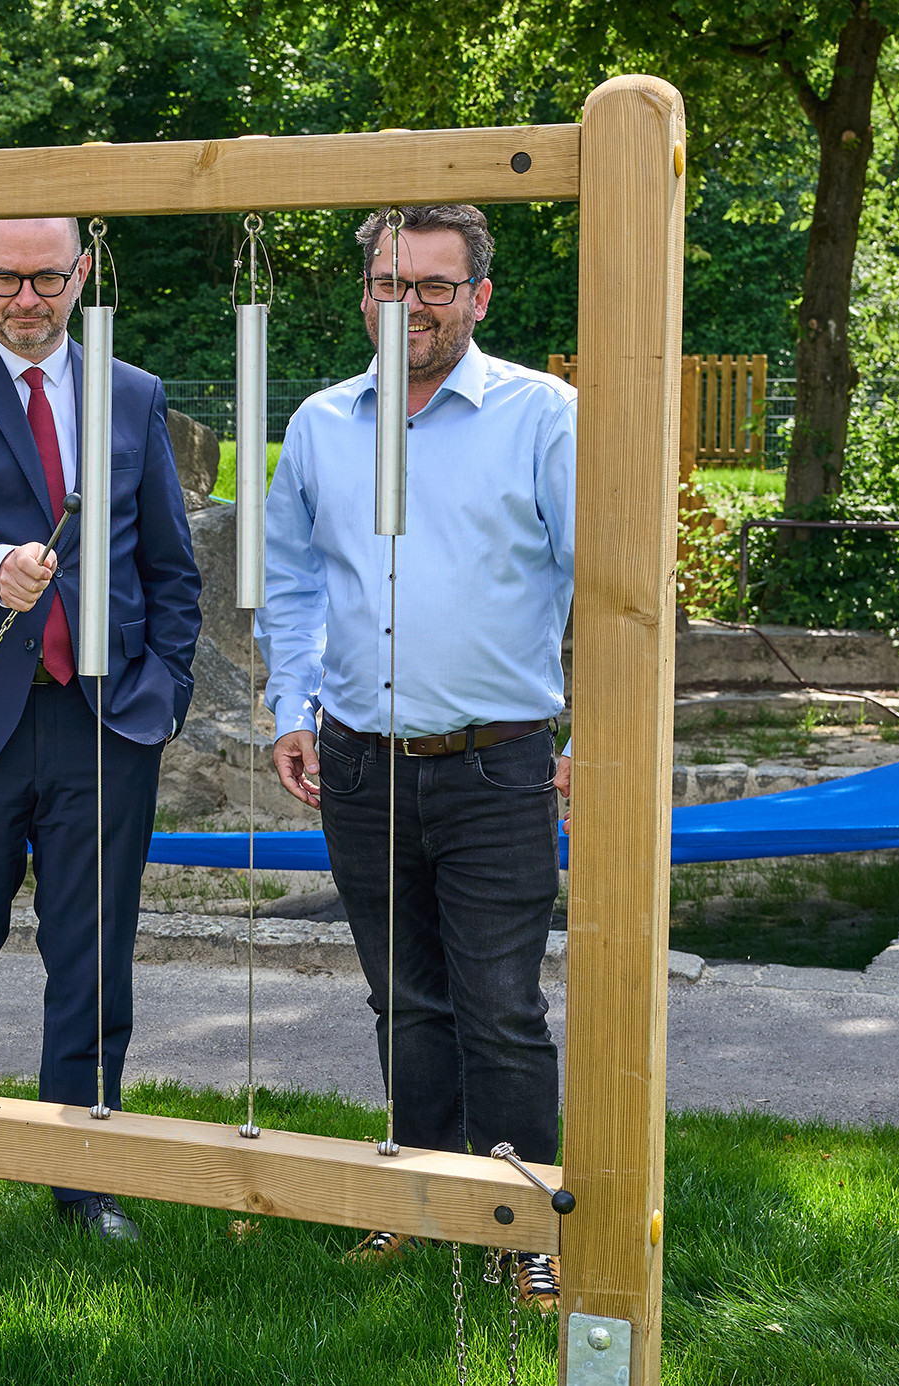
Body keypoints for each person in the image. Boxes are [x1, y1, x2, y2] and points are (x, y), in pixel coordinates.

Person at [255, 204, 574, 1311]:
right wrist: (290, 708)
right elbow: (291, 585)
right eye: (392, 283)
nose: (412, 305)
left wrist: (598, 736)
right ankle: (423, 1205)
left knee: (499, 1002)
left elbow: (608, 587)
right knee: (404, 998)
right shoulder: (321, 424)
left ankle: (527, 1221)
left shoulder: (547, 417)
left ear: (480, 298)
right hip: (357, 762)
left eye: (436, 285)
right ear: (365, 294)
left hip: (498, 762)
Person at [0, 217, 202, 1274]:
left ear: (83, 271)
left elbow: (171, 567)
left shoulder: (134, 393)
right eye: (5, 277)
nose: (26, 298)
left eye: (46, 277)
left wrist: (161, 695)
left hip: (103, 723)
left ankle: (86, 1180)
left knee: (93, 966)